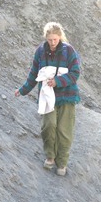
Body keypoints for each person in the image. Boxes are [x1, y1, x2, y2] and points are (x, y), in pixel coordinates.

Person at [15, 22, 81, 175]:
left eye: (55, 40)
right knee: (48, 126)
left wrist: (57, 81)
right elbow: (34, 74)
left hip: (67, 96)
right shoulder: (40, 52)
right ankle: (50, 156)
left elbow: (75, 73)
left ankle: (62, 163)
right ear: (46, 38)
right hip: (46, 96)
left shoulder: (69, 51)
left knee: (64, 131)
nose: (52, 43)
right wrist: (23, 90)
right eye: (50, 40)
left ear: (60, 37)